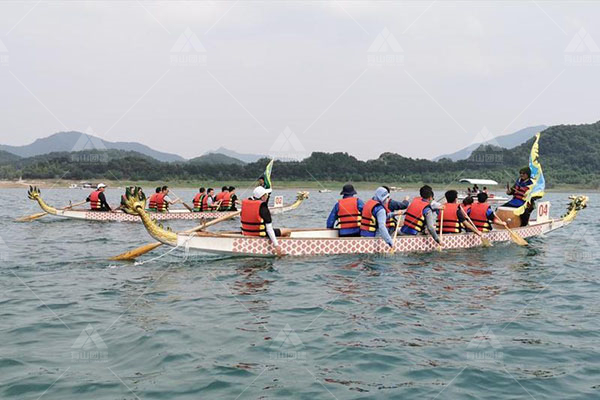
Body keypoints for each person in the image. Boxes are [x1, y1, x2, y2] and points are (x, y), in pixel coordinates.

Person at [240, 186, 291, 256]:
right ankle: (278, 249)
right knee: (287, 231)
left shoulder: (246, 203)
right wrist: (276, 245)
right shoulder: (263, 207)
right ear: (262, 196)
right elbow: (269, 229)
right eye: (266, 195)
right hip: (260, 233)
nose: (267, 196)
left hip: (247, 232)